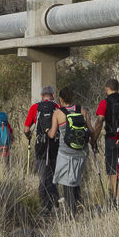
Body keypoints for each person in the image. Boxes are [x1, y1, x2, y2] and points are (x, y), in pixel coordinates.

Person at [47, 87, 90, 214]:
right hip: (81, 152)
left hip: (65, 153)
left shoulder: (58, 113)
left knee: (67, 182)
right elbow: (91, 130)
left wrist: (47, 131)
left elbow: (52, 134)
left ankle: (72, 213)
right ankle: (79, 206)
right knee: (75, 179)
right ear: (73, 98)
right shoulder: (82, 110)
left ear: (60, 99)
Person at [90, 79, 119, 204]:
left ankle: (117, 197)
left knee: (112, 168)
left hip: (112, 139)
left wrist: (94, 139)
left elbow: (99, 122)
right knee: (118, 166)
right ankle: (116, 194)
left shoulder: (105, 102)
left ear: (107, 89)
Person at [24, 86, 60, 215]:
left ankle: (43, 203)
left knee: (42, 175)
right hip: (55, 144)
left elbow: (26, 129)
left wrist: (28, 137)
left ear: (41, 96)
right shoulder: (57, 107)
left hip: (40, 144)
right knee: (53, 173)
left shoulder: (35, 108)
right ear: (53, 95)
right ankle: (54, 200)